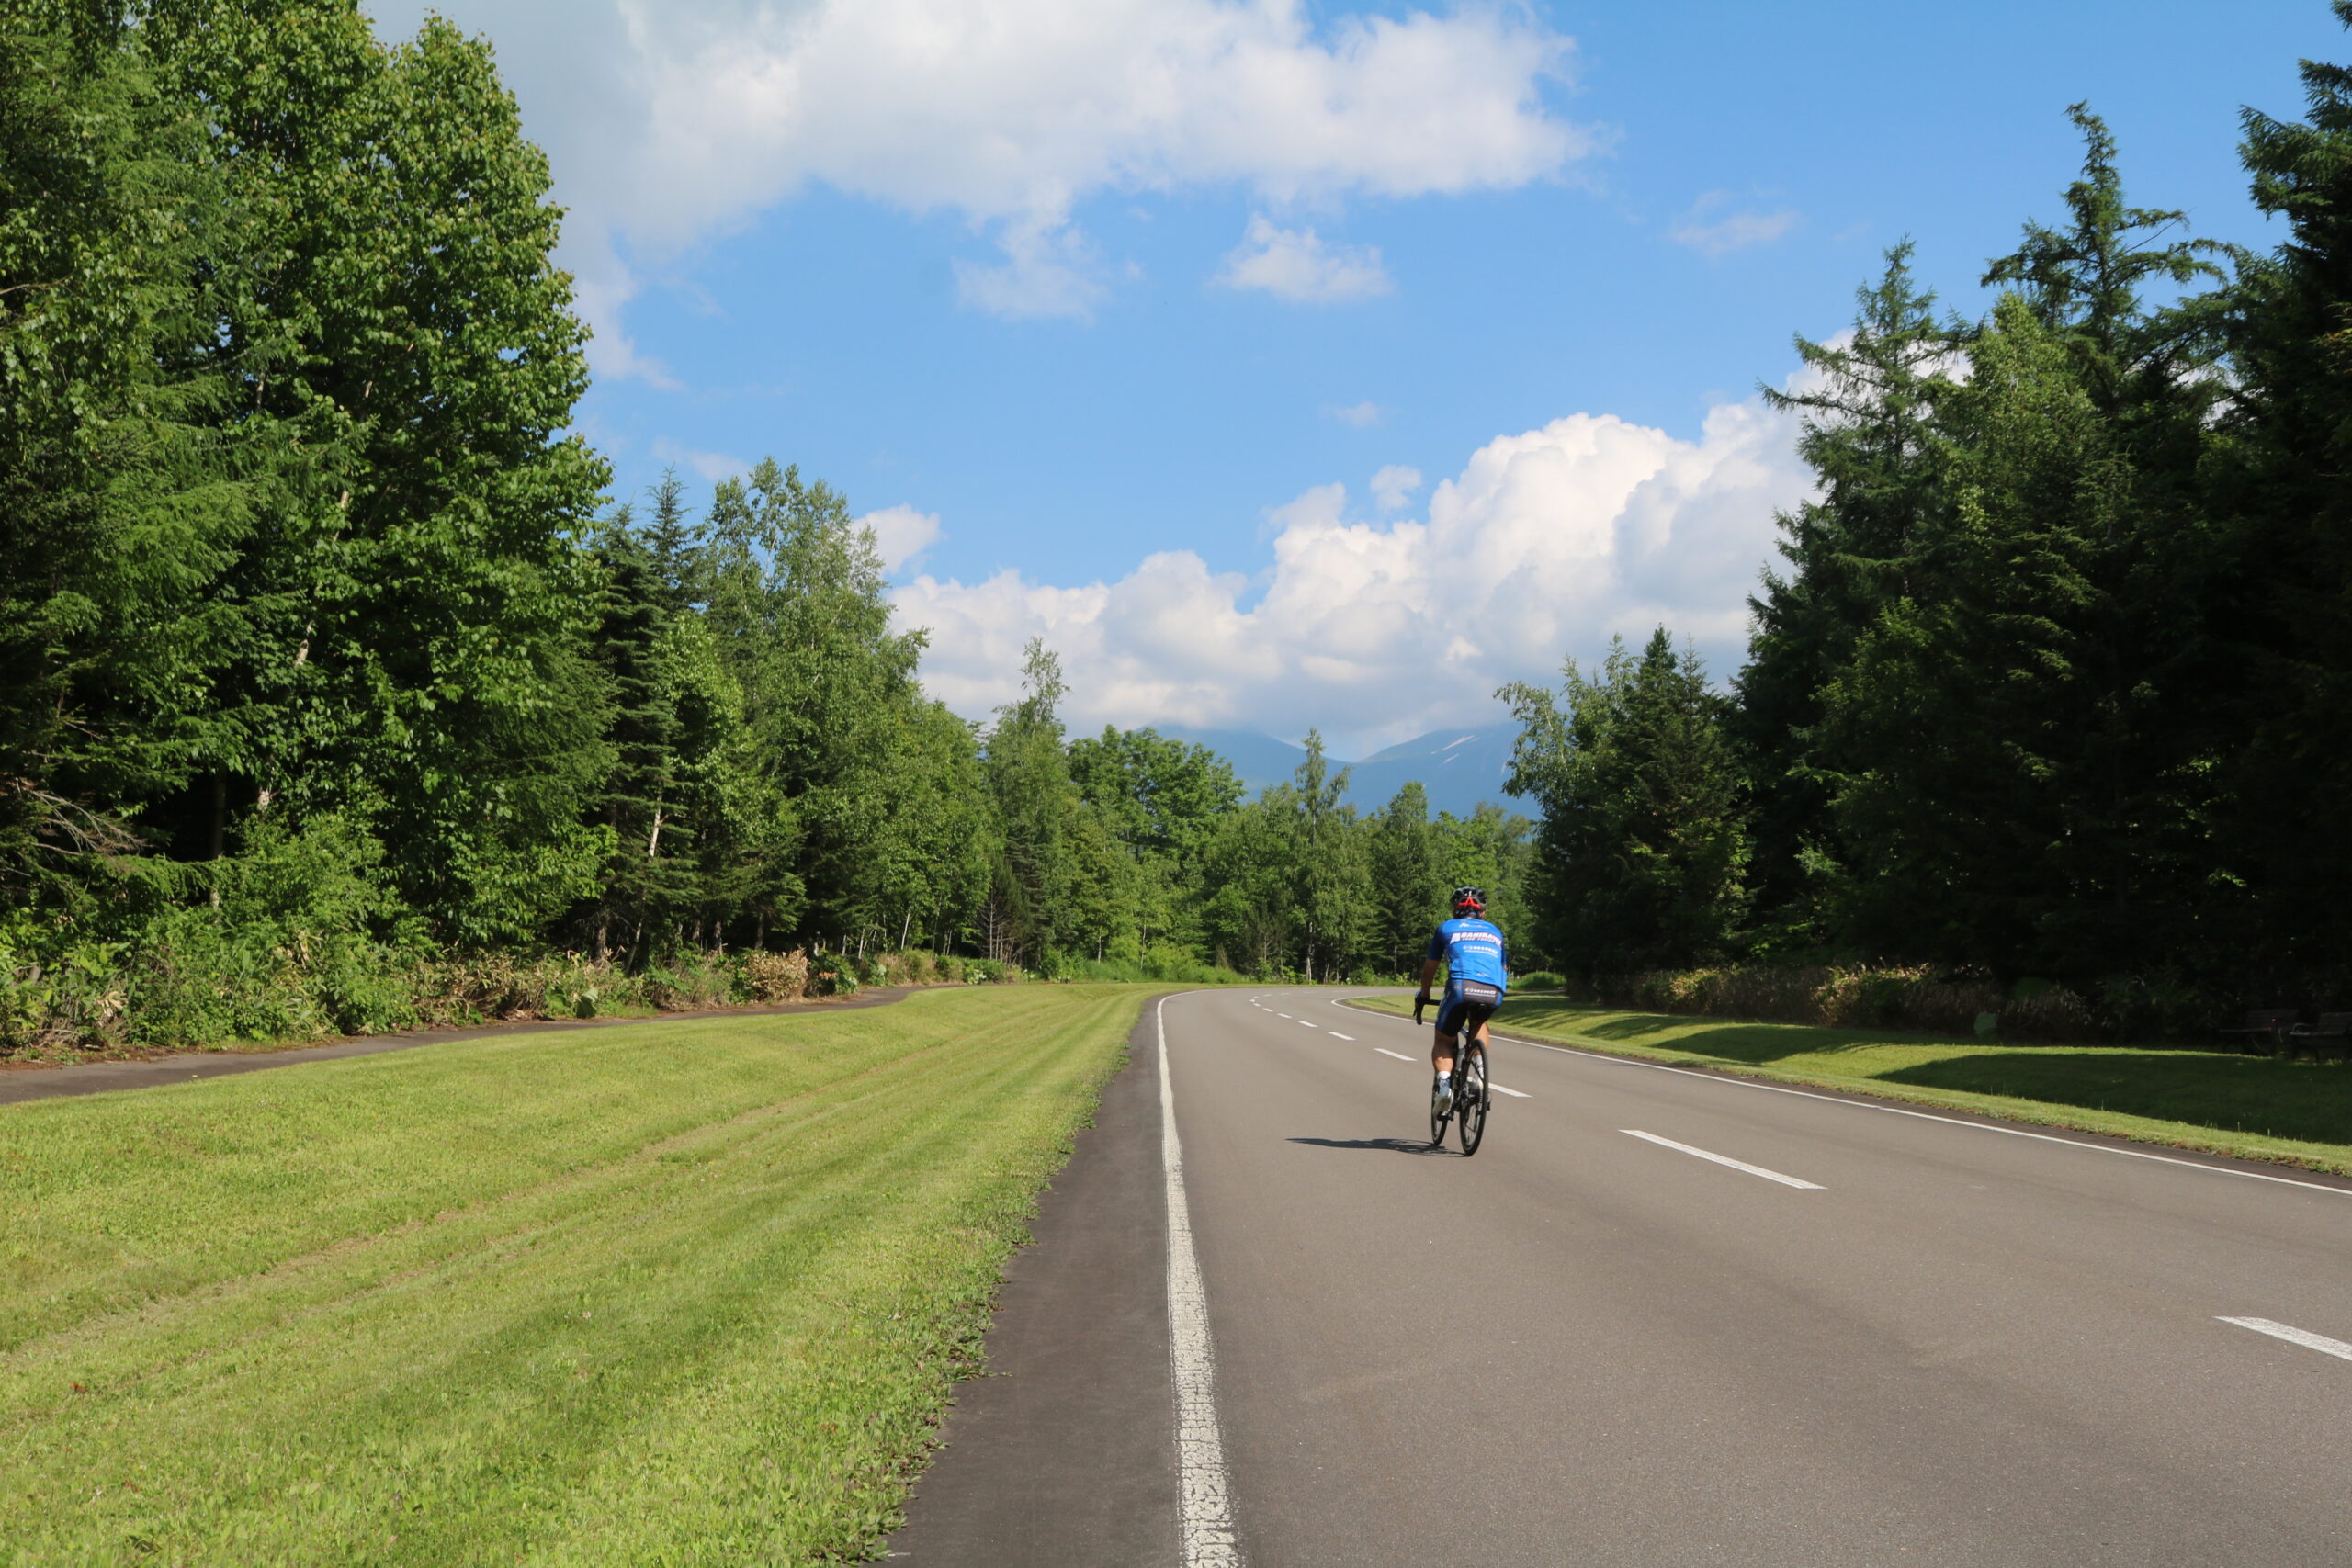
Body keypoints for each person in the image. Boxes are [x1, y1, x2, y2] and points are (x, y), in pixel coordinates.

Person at [1416, 886, 1507, 1114]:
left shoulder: (1446, 928)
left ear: (1455, 910)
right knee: (1479, 1023)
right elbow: (1503, 967)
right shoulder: (1495, 931)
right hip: (1494, 990)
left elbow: (1430, 967)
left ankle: (1445, 1086)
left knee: (1443, 1040)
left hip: (1461, 988)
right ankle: (1480, 1075)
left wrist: (1424, 994)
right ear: (1483, 913)